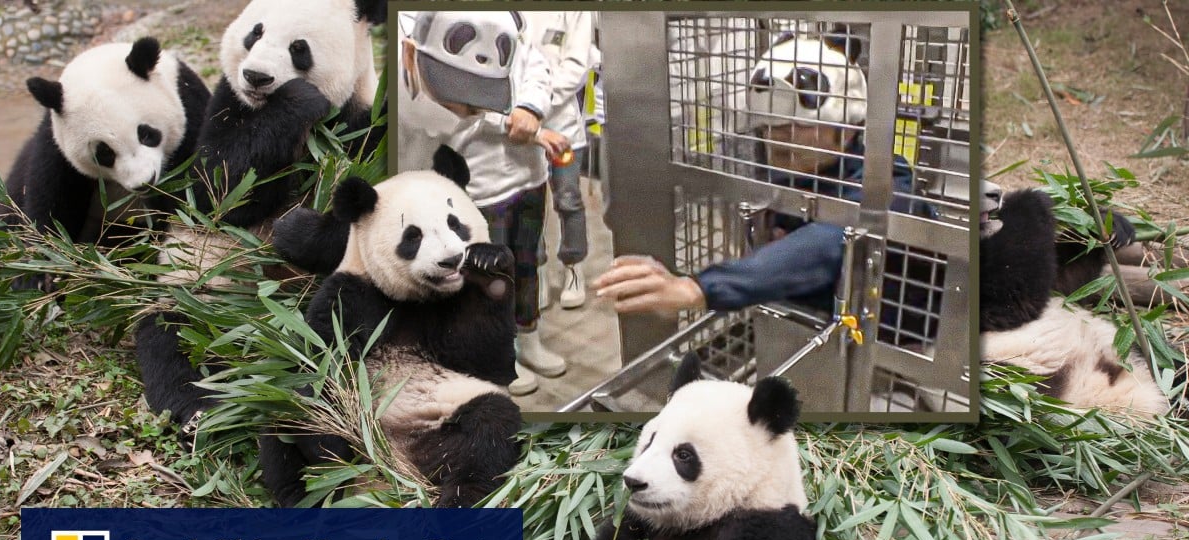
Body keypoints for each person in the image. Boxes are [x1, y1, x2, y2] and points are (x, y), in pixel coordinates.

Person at [594, 28, 935, 318]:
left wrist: (699, 288)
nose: (778, 137)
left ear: (847, 128)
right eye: (770, 126)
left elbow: (831, 241)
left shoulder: (888, 181)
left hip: (901, 340)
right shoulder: (792, 175)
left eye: (796, 125)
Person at [399, 11, 571, 396]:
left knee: (527, 262)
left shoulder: (512, 25)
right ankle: (498, 352)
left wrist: (531, 108)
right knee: (486, 279)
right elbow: (454, 110)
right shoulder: (427, 33)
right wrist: (516, 125)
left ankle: (529, 338)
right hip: (478, 187)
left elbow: (537, 67)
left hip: (529, 177)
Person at [527, 11, 594, 310]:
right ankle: (536, 271)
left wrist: (535, 102)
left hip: (562, 126)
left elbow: (576, 66)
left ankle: (574, 267)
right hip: (525, 131)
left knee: (568, 198)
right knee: (530, 202)